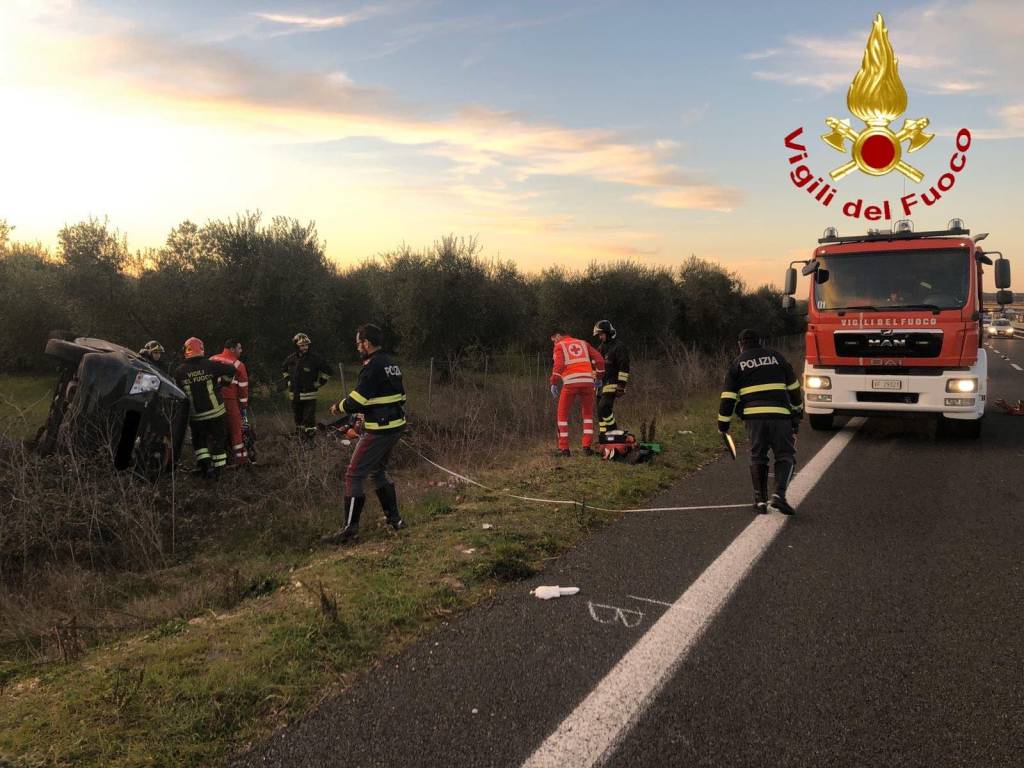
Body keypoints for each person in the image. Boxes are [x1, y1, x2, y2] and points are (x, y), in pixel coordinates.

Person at [321, 324, 407, 545]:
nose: (357, 346)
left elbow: (357, 400)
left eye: (359, 343)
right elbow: (399, 396)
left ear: (367, 343)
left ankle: (350, 531)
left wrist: (338, 407)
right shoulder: (391, 363)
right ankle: (395, 521)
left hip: (379, 429)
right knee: (378, 472)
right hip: (395, 426)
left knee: (353, 475)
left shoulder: (372, 366)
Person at [718, 328, 803, 515]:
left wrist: (723, 425)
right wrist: (798, 412)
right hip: (780, 416)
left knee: (758, 456)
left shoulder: (737, 364)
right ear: (760, 342)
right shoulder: (777, 357)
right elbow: (795, 389)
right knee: (785, 455)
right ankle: (779, 495)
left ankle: (760, 502)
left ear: (740, 345)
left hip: (754, 419)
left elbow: (728, 398)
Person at [175, 337, 236, 480]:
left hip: (196, 416)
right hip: (216, 412)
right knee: (218, 441)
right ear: (201, 349)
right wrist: (225, 383)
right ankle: (219, 472)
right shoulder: (210, 365)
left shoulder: (179, 371)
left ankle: (205, 468)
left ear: (186, 351)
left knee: (199, 442)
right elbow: (231, 369)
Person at [549, 327, 605, 456]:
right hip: (588, 382)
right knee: (588, 415)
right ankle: (586, 447)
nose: (554, 343)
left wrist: (554, 382)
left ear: (557, 335)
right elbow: (600, 360)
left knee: (562, 415)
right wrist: (599, 377)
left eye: (553, 340)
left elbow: (559, 364)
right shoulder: (583, 343)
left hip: (570, 383)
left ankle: (564, 449)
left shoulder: (559, 345)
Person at [281, 332, 331, 445]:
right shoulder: (291, 359)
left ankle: (309, 442)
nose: (305, 347)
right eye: (302, 345)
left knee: (308, 420)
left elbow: (328, 371)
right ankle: (300, 439)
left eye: (306, 345)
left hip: (309, 395)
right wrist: (288, 381)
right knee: (298, 419)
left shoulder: (315, 358)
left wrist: (319, 383)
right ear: (296, 346)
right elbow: (284, 369)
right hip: (295, 395)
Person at [210, 339, 251, 466]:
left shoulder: (211, 359)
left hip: (212, 399)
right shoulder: (238, 365)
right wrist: (243, 406)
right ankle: (241, 460)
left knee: (215, 430)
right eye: (239, 348)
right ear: (232, 349)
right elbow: (243, 388)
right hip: (230, 400)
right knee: (236, 429)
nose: (241, 350)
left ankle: (214, 459)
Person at [592, 320, 631, 442]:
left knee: (604, 407)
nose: (600, 337)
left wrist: (621, 385)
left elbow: (624, 367)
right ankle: (604, 437)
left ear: (608, 333)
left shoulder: (619, 347)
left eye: (601, 334)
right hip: (600, 385)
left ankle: (613, 430)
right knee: (600, 412)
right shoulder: (601, 347)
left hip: (613, 383)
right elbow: (595, 365)